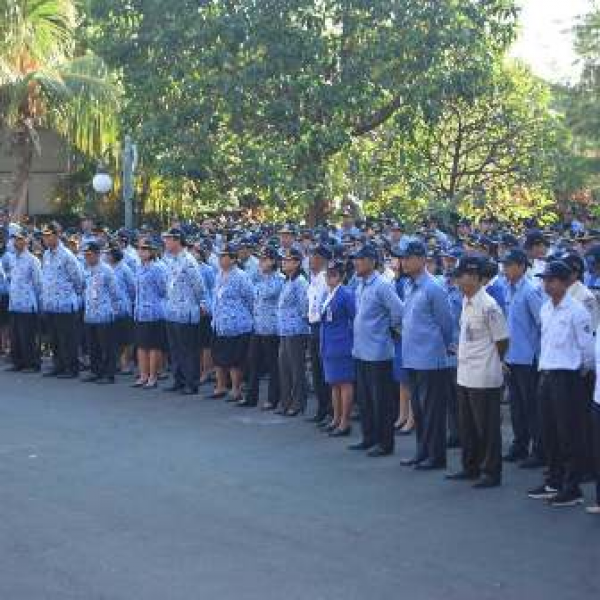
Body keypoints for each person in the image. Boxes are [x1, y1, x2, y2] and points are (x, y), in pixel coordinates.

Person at [527, 261, 594, 507]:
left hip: (568, 376)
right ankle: (553, 480)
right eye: (545, 280)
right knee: (549, 431)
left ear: (565, 282)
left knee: (569, 433)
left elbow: (587, 350)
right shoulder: (546, 308)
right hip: (546, 374)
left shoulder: (577, 311)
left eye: (552, 280)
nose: (547, 284)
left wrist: (579, 374)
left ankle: (572, 486)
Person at [447, 256, 508, 488]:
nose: (457, 281)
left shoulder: (489, 305)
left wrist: (492, 360)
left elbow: (502, 340)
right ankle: (470, 466)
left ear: (473, 277)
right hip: (465, 372)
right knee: (468, 425)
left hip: (483, 375)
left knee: (487, 427)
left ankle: (491, 471)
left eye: (461, 276)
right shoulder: (467, 300)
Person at [400, 240, 453, 470]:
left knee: (432, 410)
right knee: (419, 409)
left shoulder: (434, 287)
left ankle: (436, 456)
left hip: (430, 358)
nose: (404, 262)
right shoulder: (408, 285)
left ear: (422, 260)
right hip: (411, 356)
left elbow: (446, 324)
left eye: (408, 258)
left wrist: (440, 347)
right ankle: (422, 451)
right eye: (403, 258)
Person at [349, 243, 403, 457]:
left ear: (371, 262)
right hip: (361, 350)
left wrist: (387, 329)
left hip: (378, 352)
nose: (356, 263)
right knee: (365, 399)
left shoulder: (382, 285)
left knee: (381, 400)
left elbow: (398, 311)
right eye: (355, 259)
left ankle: (384, 443)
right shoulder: (360, 284)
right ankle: (369, 437)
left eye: (360, 259)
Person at [501, 248, 544, 467]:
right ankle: (519, 445)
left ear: (521, 266)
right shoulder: (509, 289)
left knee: (531, 406)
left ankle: (539, 450)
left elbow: (542, 323)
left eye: (508, 265)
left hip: (528, 358)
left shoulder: (530, 290)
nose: (505, 269)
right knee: (517, 406)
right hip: (512, 356)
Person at [162, 228, 207, 395]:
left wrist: (201, 303)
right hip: (172, 310)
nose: (166, 242)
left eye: (168, 239)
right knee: (175, 349)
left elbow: (198, 285)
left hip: (186, 311)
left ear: (177, 240)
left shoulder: (188, 260)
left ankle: (191, 382)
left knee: (188, 349)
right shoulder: (170, 260)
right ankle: (178, 380)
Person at [241, 245, 283, 409]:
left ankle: (273, 399)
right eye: (260, 259)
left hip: (272, 328)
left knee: (273, 365)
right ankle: (251, 397)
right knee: (253, 362)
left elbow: (267, 294)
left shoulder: (279, 279)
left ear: (272, 261)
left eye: (264, 260)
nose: (260, 263)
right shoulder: (260, 278)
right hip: (258, 326)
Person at [211, 242, 254, 402]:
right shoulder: (219, 275)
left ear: (233, 259)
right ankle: (220, 386)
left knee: (235, 359)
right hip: (219, 323)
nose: (221, 259)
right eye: (220, 256)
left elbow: (250, 298)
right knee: (219, 357)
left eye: (224, 256)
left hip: (237, 324)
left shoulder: (241, 276)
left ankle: (236, 389)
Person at [40, 222, 84, 378]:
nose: (46, 239)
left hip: (65, 304)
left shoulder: (66, 255)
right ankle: (58, 366)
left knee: (67, 339)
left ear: (57, 236)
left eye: (49, 235)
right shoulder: (46, 255)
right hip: (50, 304)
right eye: (44, 236)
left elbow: (78, 279)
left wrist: (70, 294)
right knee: (55, 339)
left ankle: (71, 368)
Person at [319, 260, 356, 436]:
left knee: (344, 383)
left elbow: (355, 317)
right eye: (328, 274)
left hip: (342, 344)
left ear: (342, 276)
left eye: (334, 275)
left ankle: (344, 422)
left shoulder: (346, 294)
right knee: (334, 383)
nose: (330, 278)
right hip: (328, 343)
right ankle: (336, 418)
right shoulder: (328, 293)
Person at [277, 245, 310, 417]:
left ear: (297, 263)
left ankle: (298, 403)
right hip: (284, 329)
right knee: (284, 367)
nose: (284, 262)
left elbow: (305, 307)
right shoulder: (287, 280)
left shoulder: (301, 282)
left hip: (296, 330)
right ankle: (286, 402)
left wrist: (300, 324)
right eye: (283, 259)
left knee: (296, 369)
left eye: (288, 260)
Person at [81, 242, 120, 384]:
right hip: (90, 313)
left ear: (97, 254)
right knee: (93, 346)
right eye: (85, 255)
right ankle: (95, 371)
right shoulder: (86, 269)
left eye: (89, 255)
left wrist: (114, 310)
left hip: (104, 314)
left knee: (107, 347)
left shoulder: (106, 270)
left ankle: (109, 374)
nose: (87, 258)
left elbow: (115, 292)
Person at [133, 239, 168, 389]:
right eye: (140, 249)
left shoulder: (158, 268)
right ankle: (143, 375)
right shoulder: (139, 267)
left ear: (152, 251)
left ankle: (153, 376)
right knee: (141, 345)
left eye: (145, 249)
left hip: (154, 311)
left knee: (153, 346)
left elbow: (163, 289)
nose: (141, 252)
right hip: (140, 311)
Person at [6, 228, 42, 372]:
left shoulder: (33, 260)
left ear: (26, 241)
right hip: (14, 303)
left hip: (27, 304)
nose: (17, 242)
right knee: (16, 336)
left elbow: (38, 284)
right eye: (15, 239)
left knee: (28, 336)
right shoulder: (12, 259)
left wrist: (38, 304)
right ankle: (18, 362)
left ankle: (32, 364)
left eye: (20, 239)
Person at [306, 243, 333, 425]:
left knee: (324, 372)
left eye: (315, 257)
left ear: (323, 260)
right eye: (311, 256)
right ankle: (322, 409)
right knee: (316, 371)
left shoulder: (326, 279)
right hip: (313, 327)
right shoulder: (313, 279)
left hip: (323, 327)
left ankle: (330, 410)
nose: (311, 260)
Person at [106, 245, 136, 375]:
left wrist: (129, 301)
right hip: (110, 309)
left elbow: (132, 288)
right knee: (113, 338)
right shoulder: (106, 268)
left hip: (123, 308)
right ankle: (116, 362)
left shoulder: (125, 269)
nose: (106, 256)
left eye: (109, 254)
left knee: (127, 338)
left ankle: (126, 363)